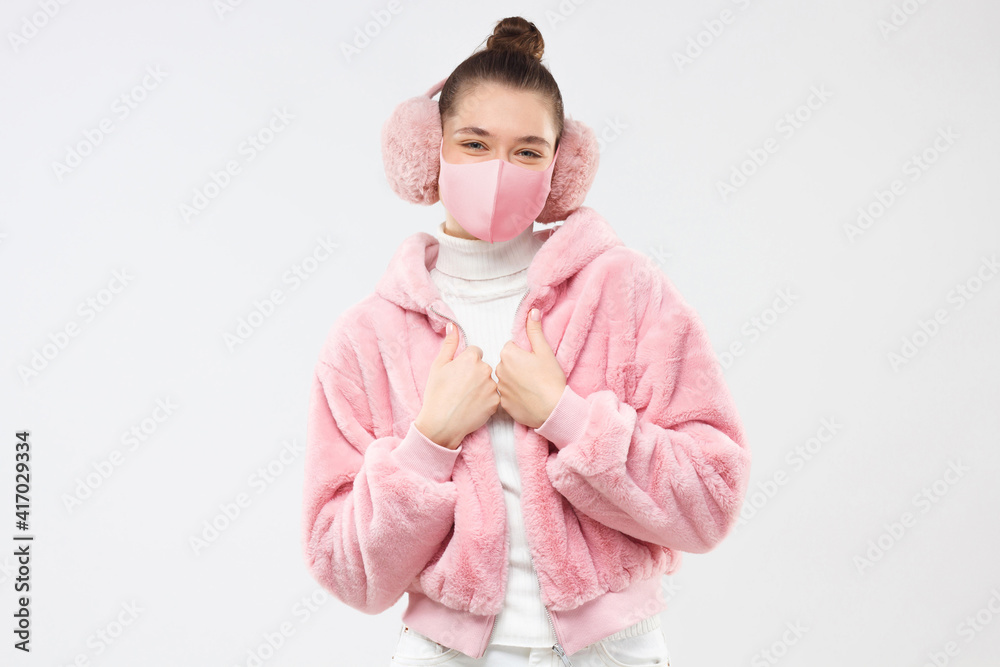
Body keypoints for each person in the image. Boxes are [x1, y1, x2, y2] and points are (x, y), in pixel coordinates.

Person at [300, 16, 752, 667]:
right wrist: (428, 443)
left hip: (613, 651)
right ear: (429, 152)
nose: (498, 170)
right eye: (475, 144)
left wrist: (565, 415)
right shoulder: (366, 339)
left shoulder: (624, 292)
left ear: (560, 168)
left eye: (528, 151)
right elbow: (344, 567)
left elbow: (710, 497)